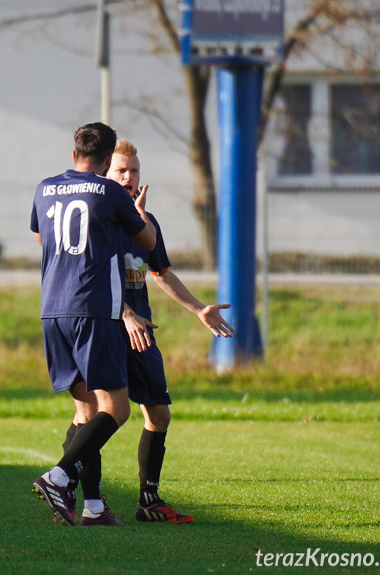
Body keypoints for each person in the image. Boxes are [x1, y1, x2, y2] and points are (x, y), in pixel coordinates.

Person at [29, 122, 156, 527]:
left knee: (85, 412)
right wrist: (136, 215)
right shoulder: (111, 191)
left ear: (74, 155)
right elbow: (147, 243)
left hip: (52, 309)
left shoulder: (44, 187)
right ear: (105, 163)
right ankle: (59, 475)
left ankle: (94, 506)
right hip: (93, 308)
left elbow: (41, 239)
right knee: (116, 409)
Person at [107, 138, 235, 523]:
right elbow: (91, 278)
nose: (129, 177)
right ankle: (69, 488)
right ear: (105, 174)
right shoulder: (98, 219)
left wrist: (199, 309)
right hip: (107, 329)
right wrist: (123, 312)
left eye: (134, 171)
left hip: (141, 331)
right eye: (121, 170)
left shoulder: (147, 221)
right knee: (98, 414)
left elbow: (160, 273)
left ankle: (148, 501)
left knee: (158, 414)